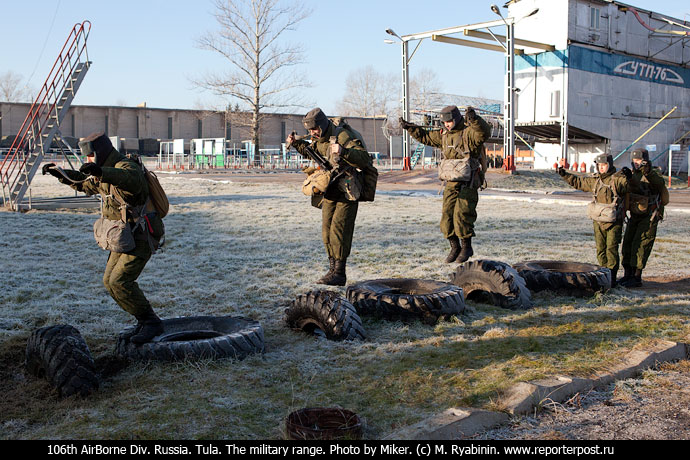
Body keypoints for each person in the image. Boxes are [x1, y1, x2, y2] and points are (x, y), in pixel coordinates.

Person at [42, 132, 165, 343]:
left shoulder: (126, 167)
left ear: (100, 153)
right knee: (109, 282)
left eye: (90, 157)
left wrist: (102, 172)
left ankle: (152, 323)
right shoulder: (101, 173)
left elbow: (130, 180)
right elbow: (83, 183)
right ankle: (142, 321)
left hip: (143, 234)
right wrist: (59, 173)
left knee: (120, 281)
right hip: (124, 235)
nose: (87, 161)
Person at [286, 108, 372, 286]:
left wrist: (344, 151)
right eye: (310, 130)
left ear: (323, 125)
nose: (312, 133)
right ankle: (332, 269)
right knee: (327, 231)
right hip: (331, 188)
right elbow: (313, 153)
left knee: (339, 231)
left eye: (315, 129)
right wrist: (296, 144)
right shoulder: (319, 139)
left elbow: (364, 158)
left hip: (348, 189)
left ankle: (339, 273)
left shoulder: (342, 136)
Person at [400, 106, 491, 263]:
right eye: (444, 122)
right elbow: (426, 137)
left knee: (462, 214)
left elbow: (484, 132)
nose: (447, 124)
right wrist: (410, 128)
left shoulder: (469, 132)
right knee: (446, 217)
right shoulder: (443, 135)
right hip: (451, 180)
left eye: (449, 121)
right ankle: (454, 247)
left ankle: (466, 247)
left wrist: (474, 119)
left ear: (456, 119)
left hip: (468, 181)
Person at [558, 153, 629, 287]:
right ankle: (603, 275)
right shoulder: (595, 180)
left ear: (609, 165)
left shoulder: (617, 179)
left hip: (614, 221)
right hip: (598, 220)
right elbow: (579, 182)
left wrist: (628, 177)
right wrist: (564, 174)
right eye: (599, 166)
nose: (601, 168)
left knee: (611, 249)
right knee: (601, 249)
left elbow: (627, 186)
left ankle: (612, 278)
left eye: (604, 165)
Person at [619, 148, 669, 287]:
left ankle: (636, 277)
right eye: (634, 161)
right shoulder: (634, 174)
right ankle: (627, 274)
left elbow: (659, 184)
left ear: (645, 160)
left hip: (649, 215)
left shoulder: (653, 173)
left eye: (639, 161)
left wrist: (648, 171)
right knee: (628, 242)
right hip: (635, 214)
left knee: (641, 245)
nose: (636, 163)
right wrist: (628, 178)